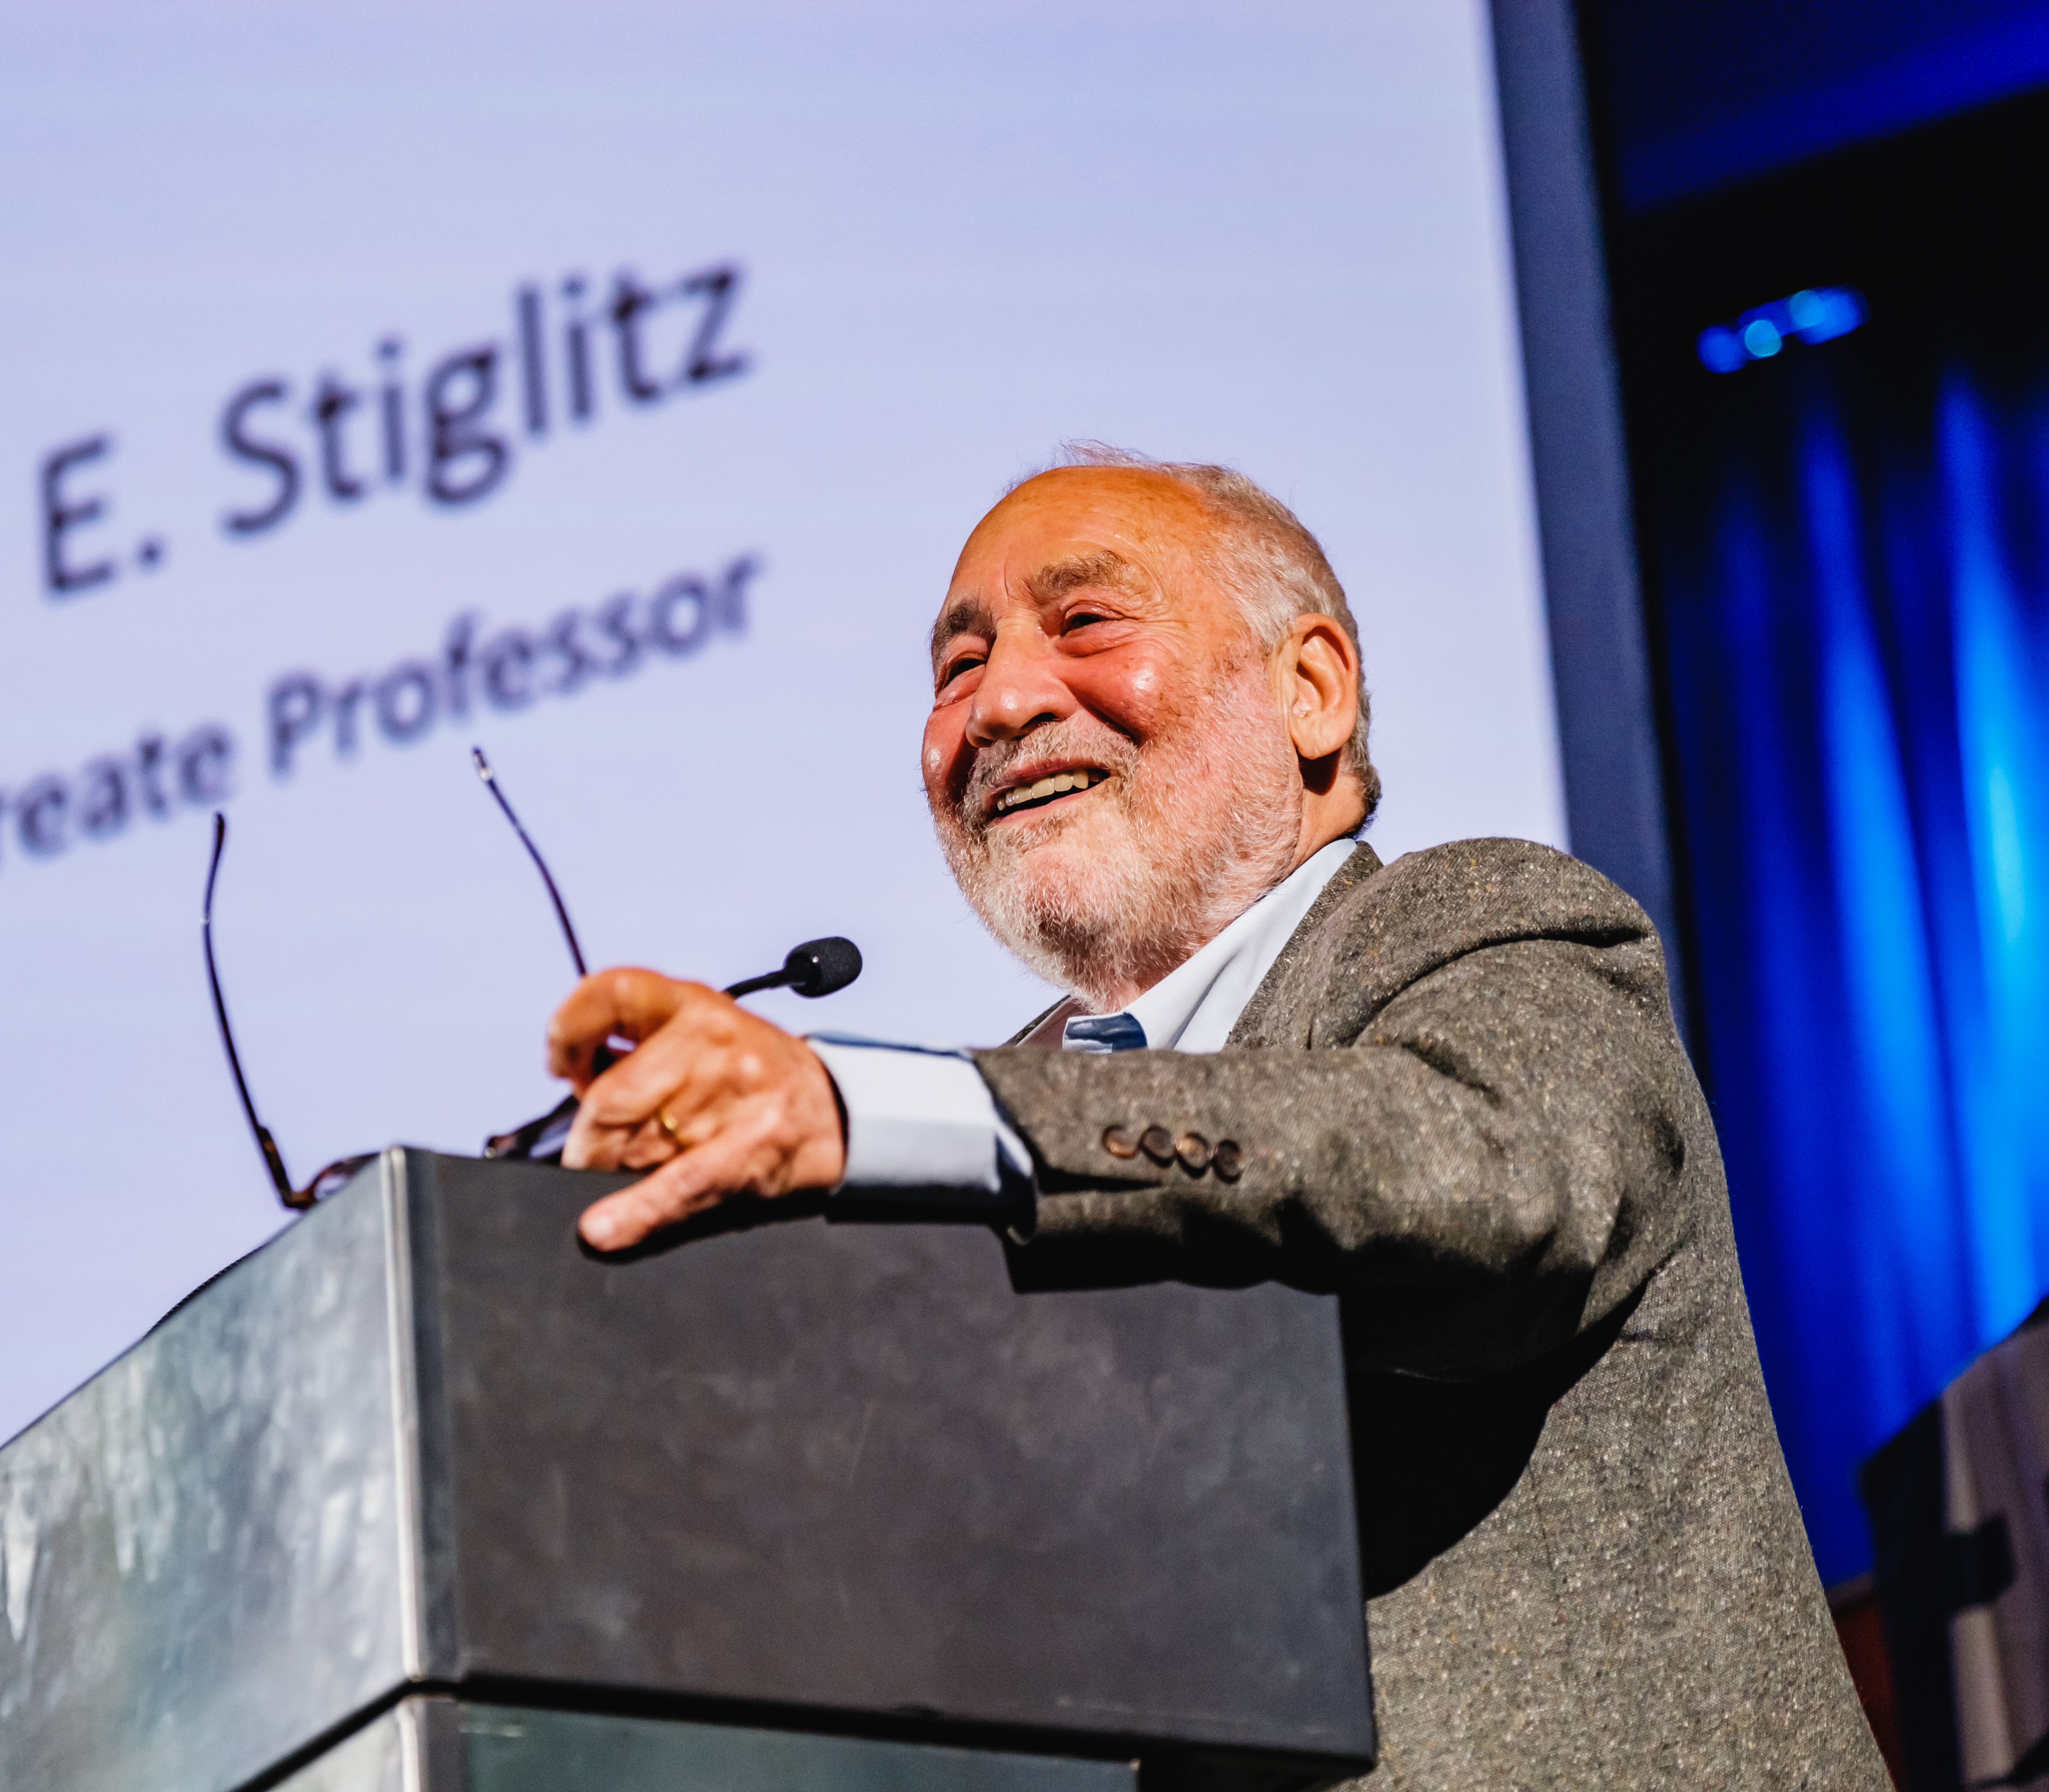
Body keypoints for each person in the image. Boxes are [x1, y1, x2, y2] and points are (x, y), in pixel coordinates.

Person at [542, 448, 1888, 1789]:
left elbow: (1481, 1186)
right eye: (957, 670)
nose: (1002, 700)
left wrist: (876, 1105)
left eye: (1083, 625)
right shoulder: (991, 1127)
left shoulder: (1486, 929)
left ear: (1310, 691)